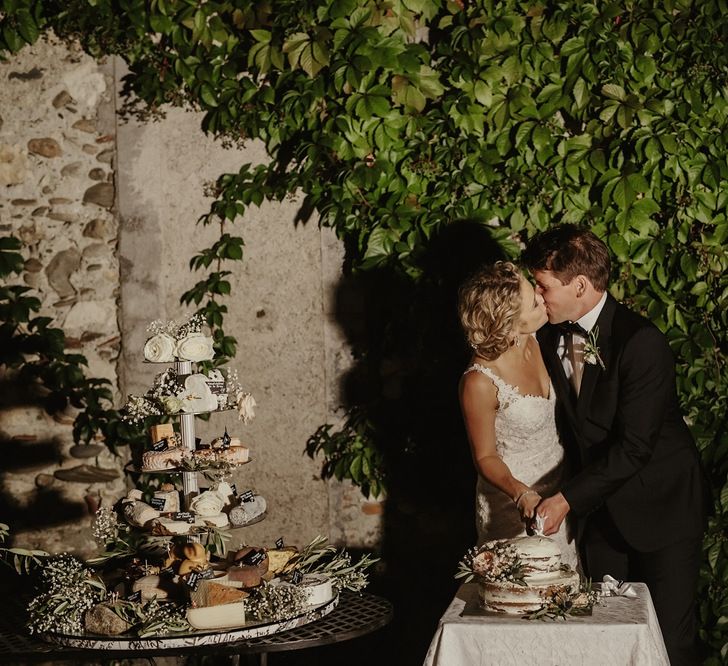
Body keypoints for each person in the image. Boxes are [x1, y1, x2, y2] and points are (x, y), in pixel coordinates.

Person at [522, 224, 708, 665]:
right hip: (602, 513)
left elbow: (636, 447)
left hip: (663, 506)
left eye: (543, 285)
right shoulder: (548, 337)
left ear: (580, 285)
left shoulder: (641, 342)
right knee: (603, 636)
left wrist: (565, 499)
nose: (537, 293)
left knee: (671, 644)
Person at [457, 261, 577, 568]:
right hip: (512, 503)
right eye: (533, 301)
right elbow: (485, 457)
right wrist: (521, 493)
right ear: (509, 324)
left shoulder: (541, 338)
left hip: (560, 495)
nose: (541, 296)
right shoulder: (479, 382)